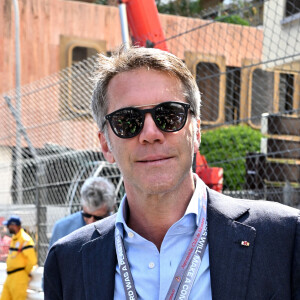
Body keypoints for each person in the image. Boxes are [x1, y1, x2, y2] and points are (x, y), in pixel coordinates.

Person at [44, 46, 300, 300]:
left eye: (169, 115)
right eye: (127, 121)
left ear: (196, 132)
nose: (151, 134)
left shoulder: (285, 238)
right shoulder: (67, 262)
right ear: (105, 145)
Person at [49, 176, 116, 247]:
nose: (91, 222)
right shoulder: (62, 228)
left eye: (98, 218)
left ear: (111, 208)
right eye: (87, 215)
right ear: (82, 206)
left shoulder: (119, 231)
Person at [1, 215, 37, 300]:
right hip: (10, 276)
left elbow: (32, 260)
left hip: (19, 277)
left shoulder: (25, 239)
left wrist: (24, 274)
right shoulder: (15, 238)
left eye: (8, 225)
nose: (7, 227)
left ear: (14, 226)